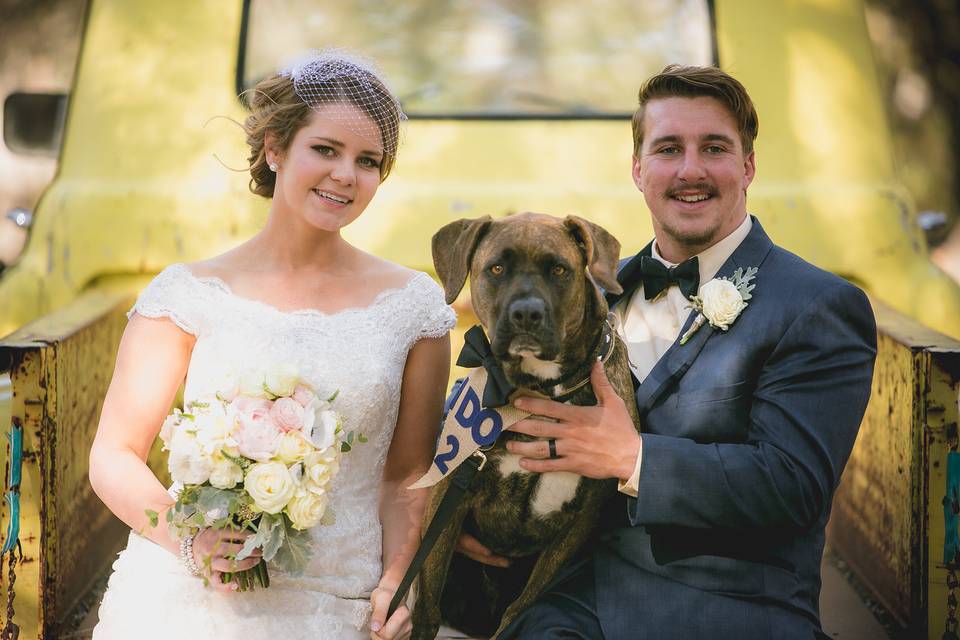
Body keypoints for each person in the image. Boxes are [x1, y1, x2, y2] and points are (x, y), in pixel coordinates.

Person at [462, 65, 877, 639]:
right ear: (638, 169)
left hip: (725, 610)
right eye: (667, 149)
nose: (690, 170)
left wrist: (633, 459)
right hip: (566, 598)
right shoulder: (592, 293)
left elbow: (793, 487)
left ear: (748, 166)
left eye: (714, 147)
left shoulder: (818, 305)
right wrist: (465, 516)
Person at [88, 52, 454, 640]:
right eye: (326, 149)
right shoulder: (188, 294)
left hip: (342, 597)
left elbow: (405, 478)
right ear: (275, 148)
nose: (345, 175)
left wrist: (397, 582)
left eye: (368, 162)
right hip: (195, 588)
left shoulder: (413, 308)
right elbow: (114, 454)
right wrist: (190, 540)